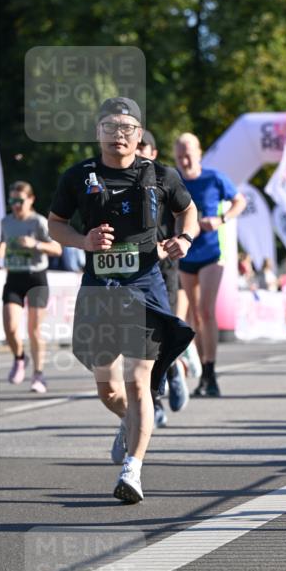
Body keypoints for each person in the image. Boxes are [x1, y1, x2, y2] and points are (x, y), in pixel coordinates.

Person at [48, 97, 197, 504]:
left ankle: (133, 468)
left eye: (127, 127)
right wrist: (83, 241)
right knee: (108, 389)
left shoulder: (160, 175)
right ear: (98, 132)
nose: (119, 135)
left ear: (138, 133)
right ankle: (130, 424)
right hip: (100, 290)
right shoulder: (78, 177)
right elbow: (55, 225)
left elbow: (190, 212)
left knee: (137, 381)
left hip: (145, 287)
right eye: (110, 127)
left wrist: (183, 239)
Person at [174, 133, 246, 397]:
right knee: (193, 316)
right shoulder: (174, 180)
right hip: (185, 254)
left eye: (188, 154)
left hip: (211, 253)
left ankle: (210, 372)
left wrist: (220, 219)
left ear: (199, 153)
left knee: (205, 310)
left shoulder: (214, 178)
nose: (184, 159)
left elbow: (240, 201)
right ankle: (204, 372)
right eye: (179, 155)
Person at [136, 129, 190, 427]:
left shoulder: (165, 180)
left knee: (157, 335)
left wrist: (179, 240)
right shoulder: (115, 181)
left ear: (153, 152)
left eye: (144, 146)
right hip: (130, 271)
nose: (139, 150)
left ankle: (165, 380)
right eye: (136, 145)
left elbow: (186, 213)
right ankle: (162, 387)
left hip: (163, 268)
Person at [0, 181, 62, 393]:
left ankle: (38, 374)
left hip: (36, 278)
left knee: (34, 330)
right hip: (14, 277)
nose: (15, 205)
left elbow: (57, 248)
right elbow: (4, 241)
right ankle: (19, 357)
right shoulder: (6, 221)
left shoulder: (38, 222)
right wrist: (0, 254)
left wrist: (35, 244)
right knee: (11, 327)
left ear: (31, 200)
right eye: (12, 200)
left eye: (19, 200)